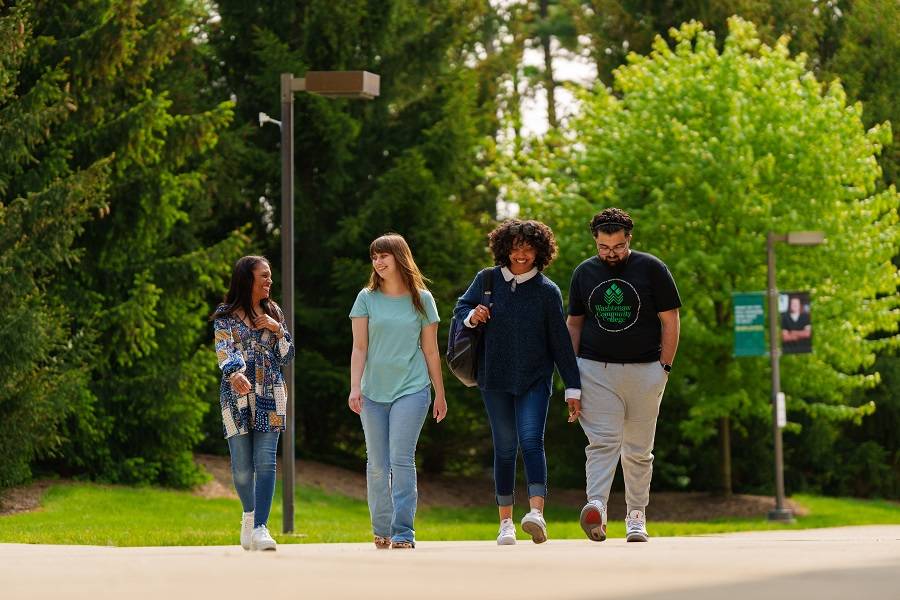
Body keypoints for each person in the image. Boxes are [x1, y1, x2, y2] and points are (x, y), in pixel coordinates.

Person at [454, 219, 581, 546]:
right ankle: (506, 523)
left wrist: (573, 388)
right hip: (494, 377)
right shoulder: (487, 279)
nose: (521, 254)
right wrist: (473, 316)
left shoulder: (547, 291)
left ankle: (536, 514)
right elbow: (461, 309)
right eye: (515, 248)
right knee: (505, 447)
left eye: (528, 248)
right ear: (504, 249)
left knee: (531, 441)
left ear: (540, 252)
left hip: (534, 379)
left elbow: (561, 344)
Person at [566, 208, 680, 543]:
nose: (611, 253)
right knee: (602, 442)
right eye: (604, 247)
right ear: (595, 241)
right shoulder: (584, 272)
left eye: (618, 246)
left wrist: (664, 368)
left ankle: (636, 515)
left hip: (646, 370)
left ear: (629, 239)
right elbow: (574, 324)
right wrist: (571, 376)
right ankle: (597, 508)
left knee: (638, 450)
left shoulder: (652, 268)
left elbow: (670, 320)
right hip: (594, 370)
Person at [348, 233, 447, 550]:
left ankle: (403, 532)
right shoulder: (366, 298)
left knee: (401, 460)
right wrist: (355, 387)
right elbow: (359, 347)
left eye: (383, 256)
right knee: (378, 465)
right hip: (373, 392)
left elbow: (431, 351)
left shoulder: (422, 299)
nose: (378, 262)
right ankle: (382, 530)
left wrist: (440, 393)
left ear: (399, 258)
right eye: (374, 257)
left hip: (412, 388)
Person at [211, 255, 295, 552]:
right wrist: (234, 373)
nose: (270, 281)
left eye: (270, 276)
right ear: (248, 279)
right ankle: (249, 515)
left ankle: (260, 527)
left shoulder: (274, 312)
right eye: (265, 276)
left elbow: (287, 356)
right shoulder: (225, 316)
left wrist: (277, 329)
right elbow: (224, 349)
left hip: (271, 393)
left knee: (266, 462)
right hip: (236, 395)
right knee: (242, 469)